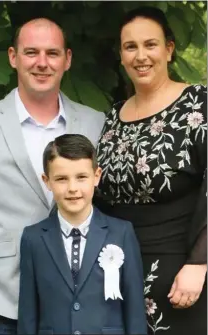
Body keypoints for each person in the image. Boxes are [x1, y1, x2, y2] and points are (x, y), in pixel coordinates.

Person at [0, 18, 105, 335]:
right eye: (31, 52)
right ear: (13, 57)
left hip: (79, 303)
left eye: (52, 53)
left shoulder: (96, 124)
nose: (41, 63)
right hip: (1, 301)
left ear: (67, 59)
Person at [95, 6, 207, 335]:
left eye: (151, 44)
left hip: (181, 274)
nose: (141, 56)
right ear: (121, 55)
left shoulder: (198, 104)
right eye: (131, 47)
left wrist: (200, 264)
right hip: (116, 275)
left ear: (169, 49)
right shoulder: (113, 116)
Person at [17, 134, 147, 335]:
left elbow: (135, 309)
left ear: (96, 176)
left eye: (81, 177)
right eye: (61, 179)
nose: (72, 188)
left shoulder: (122, 232)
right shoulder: (32, 238)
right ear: (47, 181)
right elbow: (28, 311)